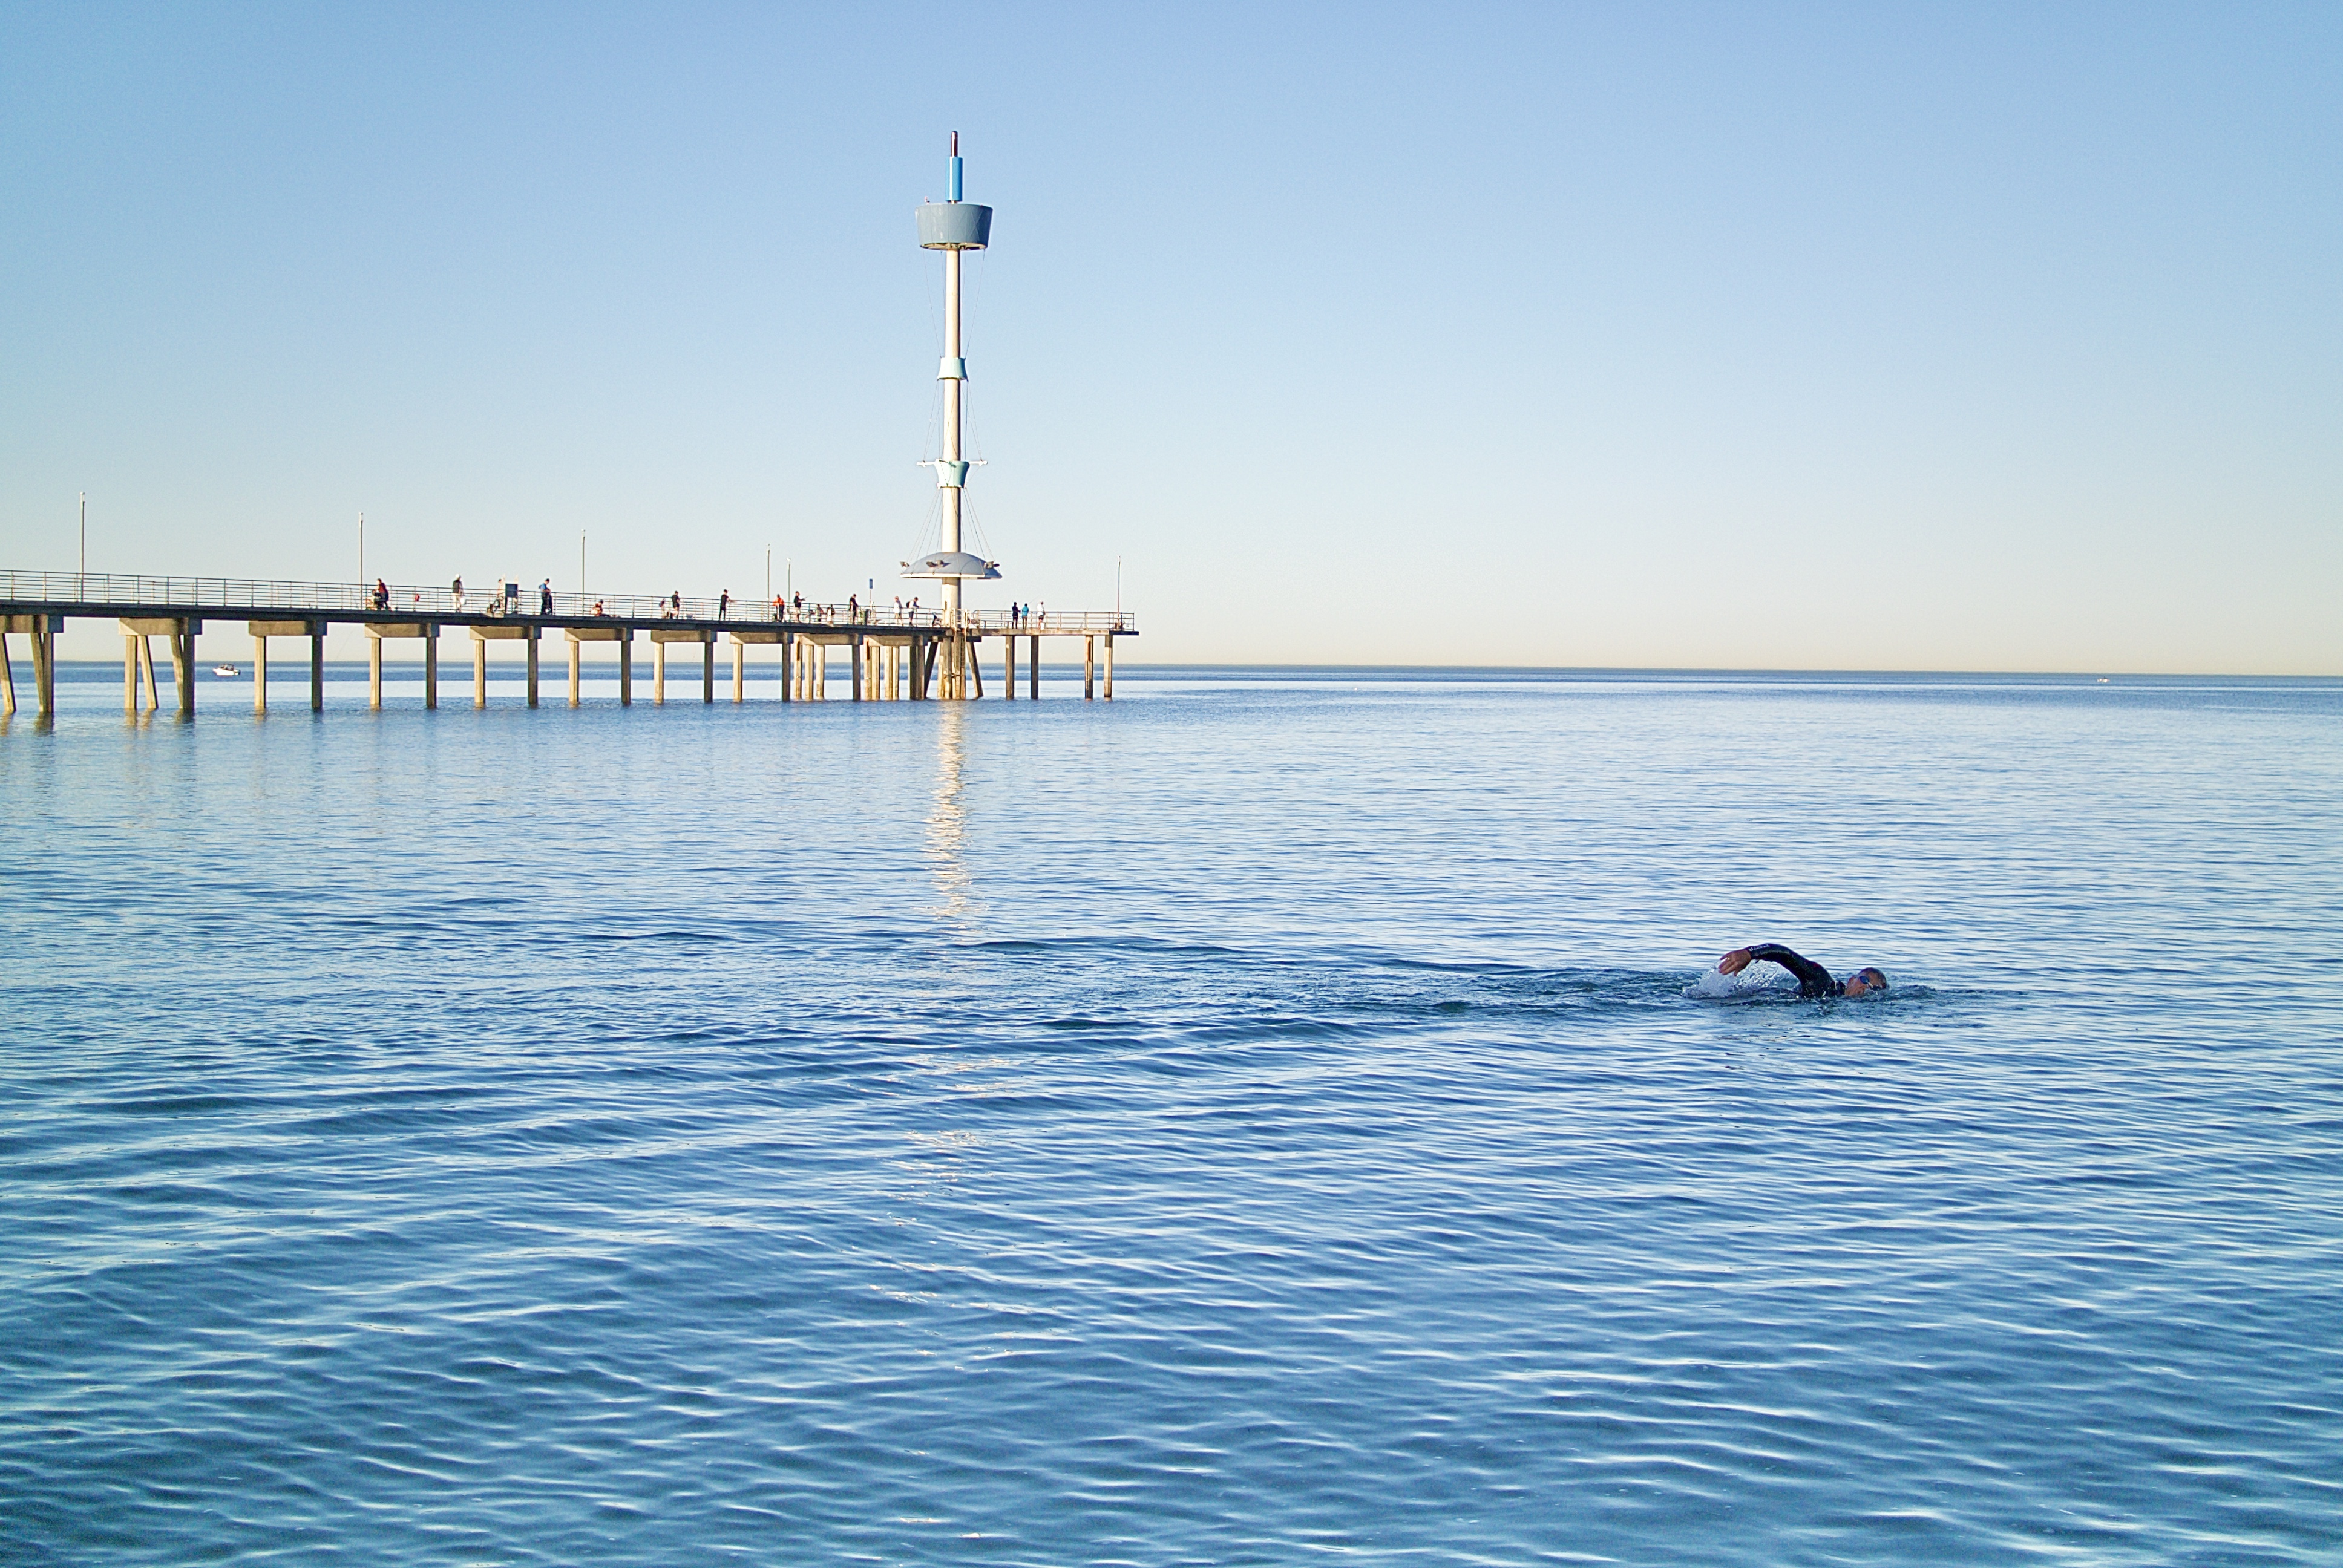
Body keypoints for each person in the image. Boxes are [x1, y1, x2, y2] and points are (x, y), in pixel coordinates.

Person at [1715, 944, 1888, 998]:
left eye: (1873, 988)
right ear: (1851, 980)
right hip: (1759, 997)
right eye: (1865, 981)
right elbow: (1786, 955)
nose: (1866, 988)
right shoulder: (1822, 982)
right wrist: (1748, 954)